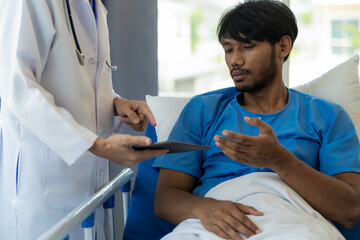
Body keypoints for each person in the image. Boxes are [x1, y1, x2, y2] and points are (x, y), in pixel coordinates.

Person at [153, 1, 360, 239]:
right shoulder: (202, 111)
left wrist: (279, 160)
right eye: (229, 49)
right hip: (214, 224)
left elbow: (349, 211)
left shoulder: (327, 117)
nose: (235, 60)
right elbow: (165, 198)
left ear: (283, 46)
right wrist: (203, 208)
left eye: (247, 47)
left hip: (293, 222)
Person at [0, 0, 167, 239]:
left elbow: (81, 83)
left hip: (88, 187)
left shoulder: (94, 6)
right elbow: (18, 88)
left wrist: (116, 104)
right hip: (42, 187)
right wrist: (98, 145)